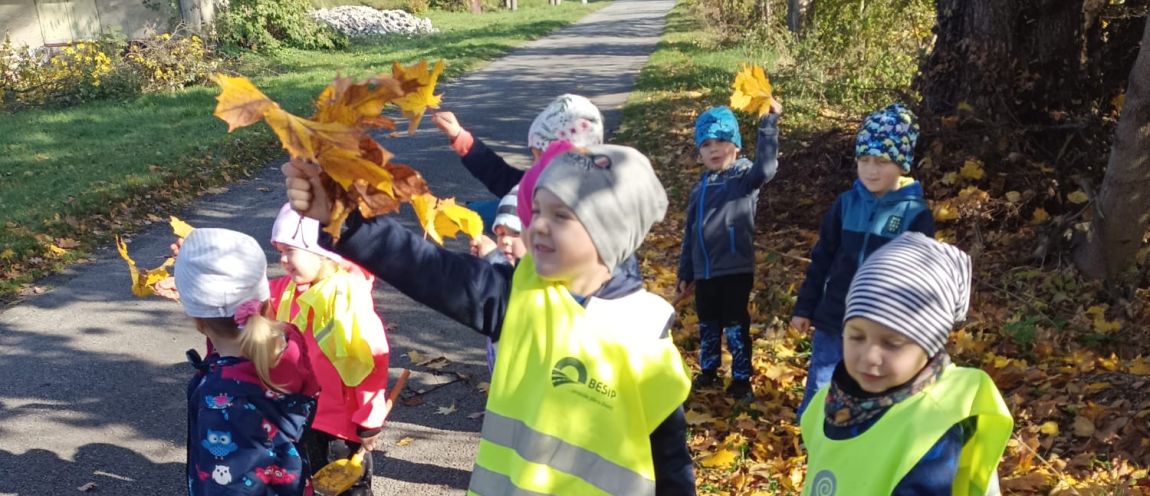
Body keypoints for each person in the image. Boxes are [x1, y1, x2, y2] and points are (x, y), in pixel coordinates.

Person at [283, 143, 697, 495]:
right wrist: (343, 220)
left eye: (562, 216)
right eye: (537, 210)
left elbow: (670, 458)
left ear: (611, 231)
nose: (537, 227)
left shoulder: (647, 330)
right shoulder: (520, 295)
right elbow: (428, 269)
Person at [800, 232, 1013, 495]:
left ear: (930, 346)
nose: (869, 357)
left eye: (892, 343)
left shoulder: (932, 422)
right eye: (856, 336)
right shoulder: (829, 402)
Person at [791, 102, 936, 416]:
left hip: (880, 325)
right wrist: (805, 307)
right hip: (833, 317)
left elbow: (921, 279)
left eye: (882, 161)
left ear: (902, 163)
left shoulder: (915, 214)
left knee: (869, 388)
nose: (871, 170)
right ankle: (814, 439)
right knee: (822, 383)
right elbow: (822, 259)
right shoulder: (845, 205)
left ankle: (858, 438)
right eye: (864, 160)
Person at [175, 228, 319, 496]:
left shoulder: (218, 397)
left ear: (197, 321)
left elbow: (226, 482)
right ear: (264, 303)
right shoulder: (288, 343)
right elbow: (231, 342)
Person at [268, 203, 391, 496]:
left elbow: (369, 360)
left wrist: (370, 418)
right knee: (314, 482)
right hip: (303, 415)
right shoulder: (287, 290)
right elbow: (248, 295)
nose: (283, 260)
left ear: (321, 250)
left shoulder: (348, 298)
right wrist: (197, 286)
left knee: (350, 487)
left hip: (342, 425)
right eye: (279, 252)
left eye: (290, 251)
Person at [676, 103, 781, 400]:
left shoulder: (744, 177)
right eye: (706, 144)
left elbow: (767, 167)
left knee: (735, 324)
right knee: (708, 323)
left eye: (721, 141)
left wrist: (768, 124)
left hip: (734, 269)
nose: (714, 149)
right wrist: (685, 271)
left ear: (735, 145)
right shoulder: (700, 188)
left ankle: (741, 378)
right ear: (700, 153)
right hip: (704, 271)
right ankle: (708, 370)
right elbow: (690, 234)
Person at [432, 93, 605, 230]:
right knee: (479, 210)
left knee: (494, 214)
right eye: (533, 156)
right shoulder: (539, 184)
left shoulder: (586, 218)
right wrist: (459, 136)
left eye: (541, 158)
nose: (535, 166)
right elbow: (502, 177)